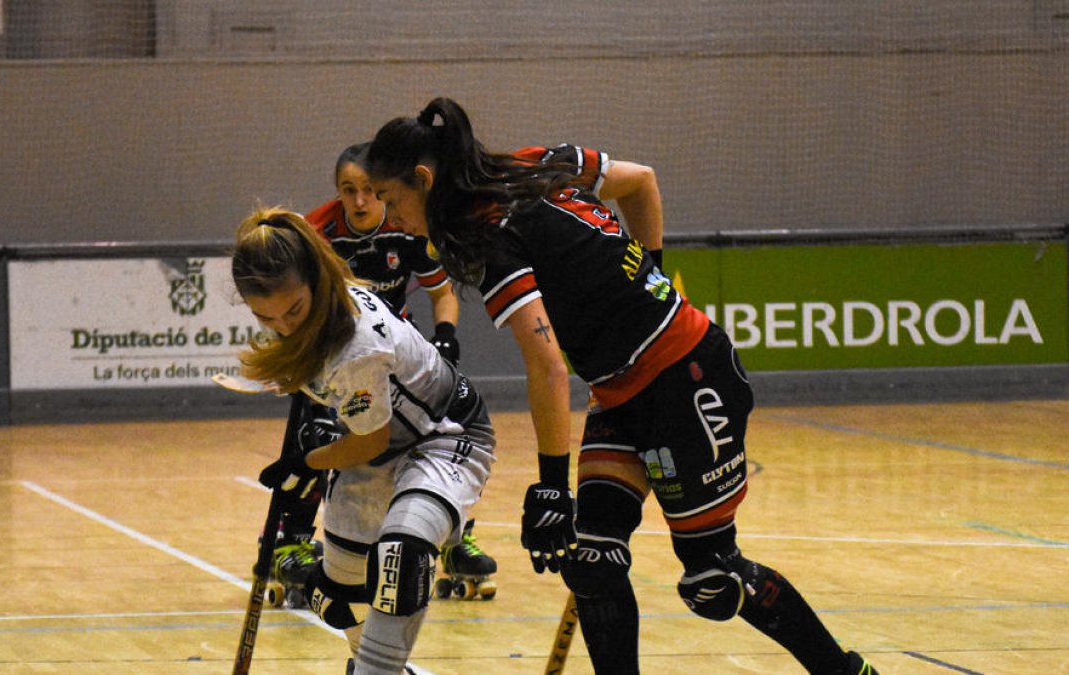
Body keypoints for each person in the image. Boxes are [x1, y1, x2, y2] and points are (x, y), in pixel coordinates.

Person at [364, 97, 880, 675]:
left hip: (687, 379)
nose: (392, 219)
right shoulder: (540, 160)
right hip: (620, 390)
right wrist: (651, 267)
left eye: (390, 199)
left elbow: (547, 365)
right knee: (591, 560)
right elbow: (641, 184)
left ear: (424, 180)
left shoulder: (494, 236)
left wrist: (553, 488)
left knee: (713, 578)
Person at [231, 206, 496, 675]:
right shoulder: (310, 312)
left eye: (294, 310)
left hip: (444, 437)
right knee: (337, 597)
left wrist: (309, 461)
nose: (286, 325)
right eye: (267, 317)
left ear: (315, 280)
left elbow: (368, 442)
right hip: (381, 439)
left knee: (403, 552)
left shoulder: (357, 345)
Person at [264, 142, 497, 600]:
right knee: (318, 438)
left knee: (436, 430)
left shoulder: (405, 224)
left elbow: (442, 291)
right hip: (330, 352)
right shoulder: (318, 234)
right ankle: (290, 542)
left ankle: (454, 538)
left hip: (393, 347)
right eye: (349, 191)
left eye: (369, 190)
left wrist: (446, 337)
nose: (360, 201)